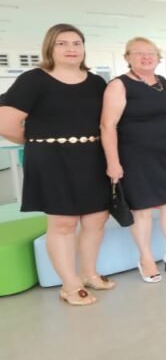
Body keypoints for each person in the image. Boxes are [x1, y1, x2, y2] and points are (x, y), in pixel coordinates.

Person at [0, 24, 112, 305]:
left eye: (77, 43)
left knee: (96, 218)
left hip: (92, 156)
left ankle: (88, 273)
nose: (71, 48)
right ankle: (70, 285)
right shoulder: (33, 80)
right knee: (63, 222)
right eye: (62, 43)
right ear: (50, 47)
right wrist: (40, 142)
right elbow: (5, 123)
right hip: (51, 159)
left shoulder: (96, 82)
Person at [101, 37, 166, 282]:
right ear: (127, 57)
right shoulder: (119, 85)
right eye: (138, 53)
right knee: (142, 209)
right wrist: (113, 162)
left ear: (158, 57)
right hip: (135, 157)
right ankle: (146, 258)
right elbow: (107, 126)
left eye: (151, 52)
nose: (146, 57)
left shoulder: (163, 83)